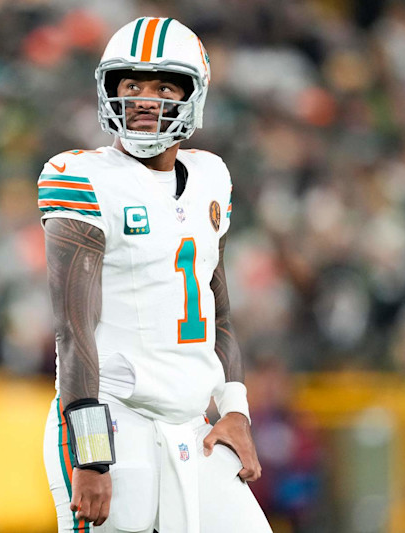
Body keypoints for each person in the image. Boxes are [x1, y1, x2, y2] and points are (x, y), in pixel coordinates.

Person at [39, 17, 272, 533]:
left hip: (192, 426)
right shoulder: (81, 178)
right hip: (115, 419)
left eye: (164, 85)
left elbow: (219, 309)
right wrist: (93, 456)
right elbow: (72, 334)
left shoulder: (211, 176)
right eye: (131, 85)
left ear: (194, 96)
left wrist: (235, 408)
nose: (143, 99)